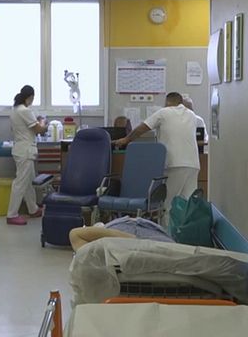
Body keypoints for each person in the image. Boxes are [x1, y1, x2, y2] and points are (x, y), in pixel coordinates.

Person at [113, 92, 206, 226]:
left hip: (175, 163)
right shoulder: (192, 115)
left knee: (168, 205)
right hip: (193, 164)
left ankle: (166, 235)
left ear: (167, 102)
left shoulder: (163, 112)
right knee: (187, 204)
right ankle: (184, 235)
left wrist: (126, 139)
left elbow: (142, 128)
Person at [7, 85, 47, 225]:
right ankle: (12, 214)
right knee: (20, 183)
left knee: (28, 182)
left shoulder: (15, 110)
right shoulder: (25, 110)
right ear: (30, 97)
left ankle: (33, 209)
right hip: (25, 151)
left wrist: (37, 121)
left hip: (20, 149)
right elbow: (39, 130)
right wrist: (43, 121)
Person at [68, 216, 175, 251]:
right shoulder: (111, 227)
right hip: (145, 237)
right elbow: (75, 234)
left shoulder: (110, 227)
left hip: (140, 237)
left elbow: (75, 234)